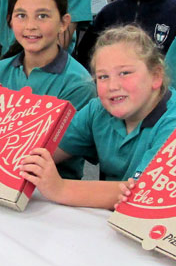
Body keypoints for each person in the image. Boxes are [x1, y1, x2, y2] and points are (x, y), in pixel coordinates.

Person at [20, 25, 176, 209]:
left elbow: (143, 193)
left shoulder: (170, 122)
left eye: (125, 73)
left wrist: (60, 188)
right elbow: (44, 149)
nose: (112, 86)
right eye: (103, 77)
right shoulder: (98, 110)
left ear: (156, 76)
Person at [0, 0, 95, 178]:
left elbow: (50, 152)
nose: (30, 26)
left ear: (64, 23)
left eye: (42, 16)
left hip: (50, 193)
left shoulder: (78, 84)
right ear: (9, 21)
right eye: (21, 15)